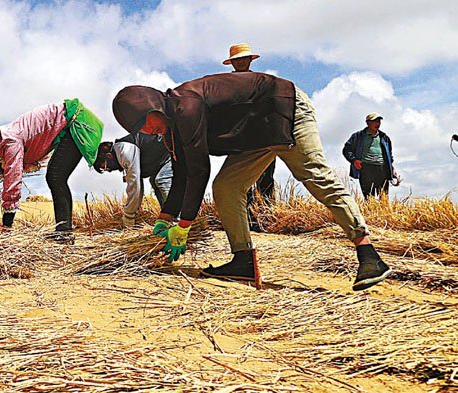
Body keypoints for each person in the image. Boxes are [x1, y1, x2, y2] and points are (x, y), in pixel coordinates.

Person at [112, 72, 392, 291]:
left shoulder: (185, 105)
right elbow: (182, 172)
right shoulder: (171, 127)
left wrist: (183, 227)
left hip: (285, 109)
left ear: (152, 106)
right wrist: (165, 217)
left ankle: (368, 254)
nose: (148, 131)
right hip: (257, 131)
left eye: (144, 122)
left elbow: (199, 171)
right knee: (227, 188)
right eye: (140, 130)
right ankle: (243, 261)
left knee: (314, 176)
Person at [0, 99, 104, 243]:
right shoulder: (4, 136)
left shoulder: (10, 143)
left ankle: (64, 232)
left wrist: (6, 224)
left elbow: (13, 183)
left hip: (77, 122)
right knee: (55, 176)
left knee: (56, 177)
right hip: (71, 123)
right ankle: (64, 231)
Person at [224, 43, 276, 229]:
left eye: (243, 59)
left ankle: (267, 218)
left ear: (249, 60)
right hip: (239, 139)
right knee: (240, 181)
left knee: (266, 179)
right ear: (232, 63)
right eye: (237, 60)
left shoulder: (261, 82)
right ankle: (245, 220)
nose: (241, 62)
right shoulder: (225, 84)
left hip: (263, 137)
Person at [92, 132, 172, 227]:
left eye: (105, 166)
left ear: (109, 156)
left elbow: (135, 185)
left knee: (161, 180)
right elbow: (137, 185)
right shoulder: (121, 152)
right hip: (162, 159)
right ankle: (168, 220)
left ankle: (177, 219)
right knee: (154, 181)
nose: (109, 170)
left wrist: (129, 216)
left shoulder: (124, 151)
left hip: (171, 152)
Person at [343, 113, 398, 198]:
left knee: (383, 196)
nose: (377, 124)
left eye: (379, 121)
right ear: (368, 123)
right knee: (369, 196)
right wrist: (354, 161)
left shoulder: (384, 137)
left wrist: (393, 169)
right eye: (375, 121)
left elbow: (389, 155)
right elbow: (346, 150)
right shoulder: (358, 136)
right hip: (366, 168)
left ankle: (383, 211)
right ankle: (370, 210)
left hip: (382, 168)